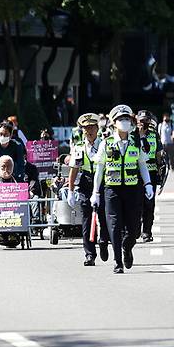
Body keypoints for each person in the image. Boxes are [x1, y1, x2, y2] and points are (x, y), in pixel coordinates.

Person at [91, 105, 153, 274]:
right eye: (121, 119)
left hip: (132, 190)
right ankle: (118, 262)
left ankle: (128, 247)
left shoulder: (136, 142)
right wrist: (95, 192)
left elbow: (142, 164)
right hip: (112, 190)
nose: (124, 122)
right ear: (114, 123)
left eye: (127, 119)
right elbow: (100, 169)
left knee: (133, 228)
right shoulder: (106, 143)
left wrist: (148, 184)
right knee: (114, 225)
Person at [67, 113, 110, 266]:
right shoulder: (79, 147)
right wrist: (71, 191)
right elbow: (74, 169)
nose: (89, 131)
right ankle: (89, 254)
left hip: (103, 183)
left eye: (91, 128)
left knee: (104, 215)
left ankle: (104, 241)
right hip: (86, 183)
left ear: (97, 128)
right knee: (86, 219)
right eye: (86, 128)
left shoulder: (105, 144)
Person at [136, 110, 162, 243]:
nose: (143, 124)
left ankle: (147, 232)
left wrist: (159, 170)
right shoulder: (132, 135)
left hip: (151, 173)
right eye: (141, 121)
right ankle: (135, 229)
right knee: (136, 203)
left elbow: (158, 154)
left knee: (149, 204)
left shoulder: (154, 135)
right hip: (135, 173)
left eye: (145, 121)